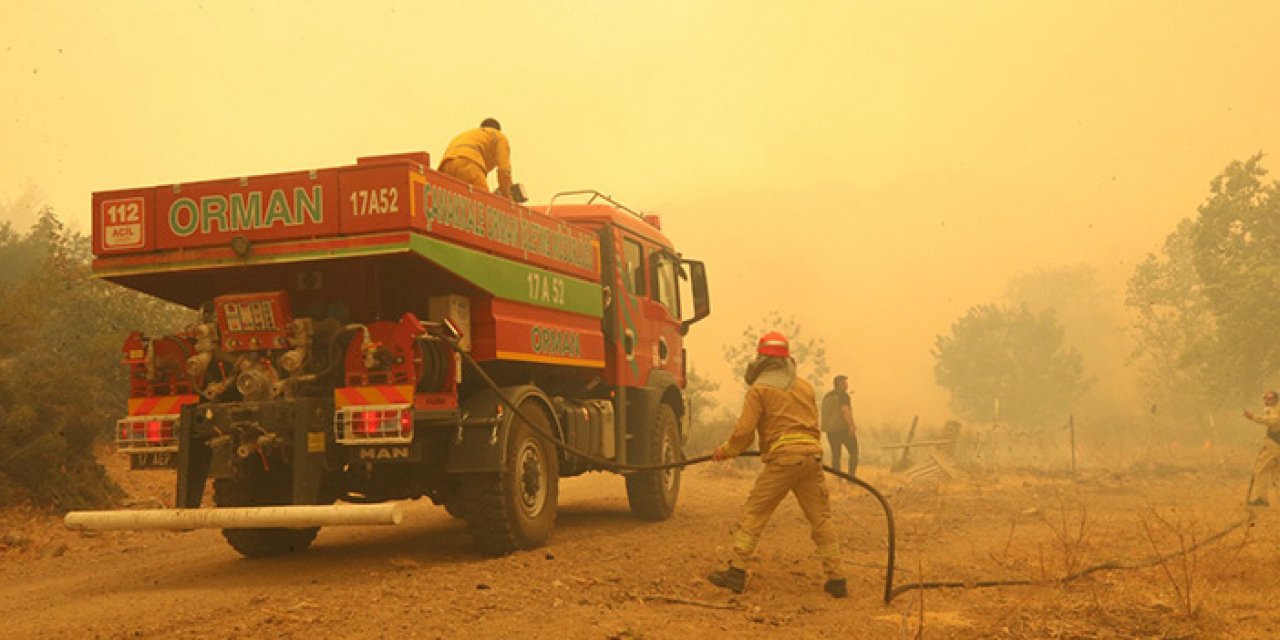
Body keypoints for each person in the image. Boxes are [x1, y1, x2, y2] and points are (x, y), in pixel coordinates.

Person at [707, 331, 847, 598]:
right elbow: (812, 424)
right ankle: (837, 579)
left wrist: (727, 451)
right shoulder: (805, 387)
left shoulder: (759, 389)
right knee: (821, 519)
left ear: (761, 360)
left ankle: (736, 572)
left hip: (783, 461)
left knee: (755, 513)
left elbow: (744, 432)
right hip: (811, 458)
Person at [438, 118, 514, 199]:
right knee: (483, 202)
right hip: (469, 163)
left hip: (446, 165)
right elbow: (504, 170)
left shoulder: (472, 134)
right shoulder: (499, 136)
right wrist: (507, 194)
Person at [1242, 390, 1280, 506]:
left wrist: (1253, 416)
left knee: (1261, 470)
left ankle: (1262, 499)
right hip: (1273, 443)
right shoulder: (1270, 409)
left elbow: (1272, 421)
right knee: (1276, 474)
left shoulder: (1276, 410)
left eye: (1270, 398)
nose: (1267, 401)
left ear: (1275, 399)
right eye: (1266, 398)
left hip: (1274, 445)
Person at [821, 374, 858, 476]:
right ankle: (851, 478)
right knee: (854, 452)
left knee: (836, 456)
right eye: (845, 382)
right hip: (843, 429)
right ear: (840, 384)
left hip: (831, 431)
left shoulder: (827, 397)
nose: (847, 385)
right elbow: (845, 410)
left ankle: (837, 479)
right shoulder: (843, 395)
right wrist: (851, 426)